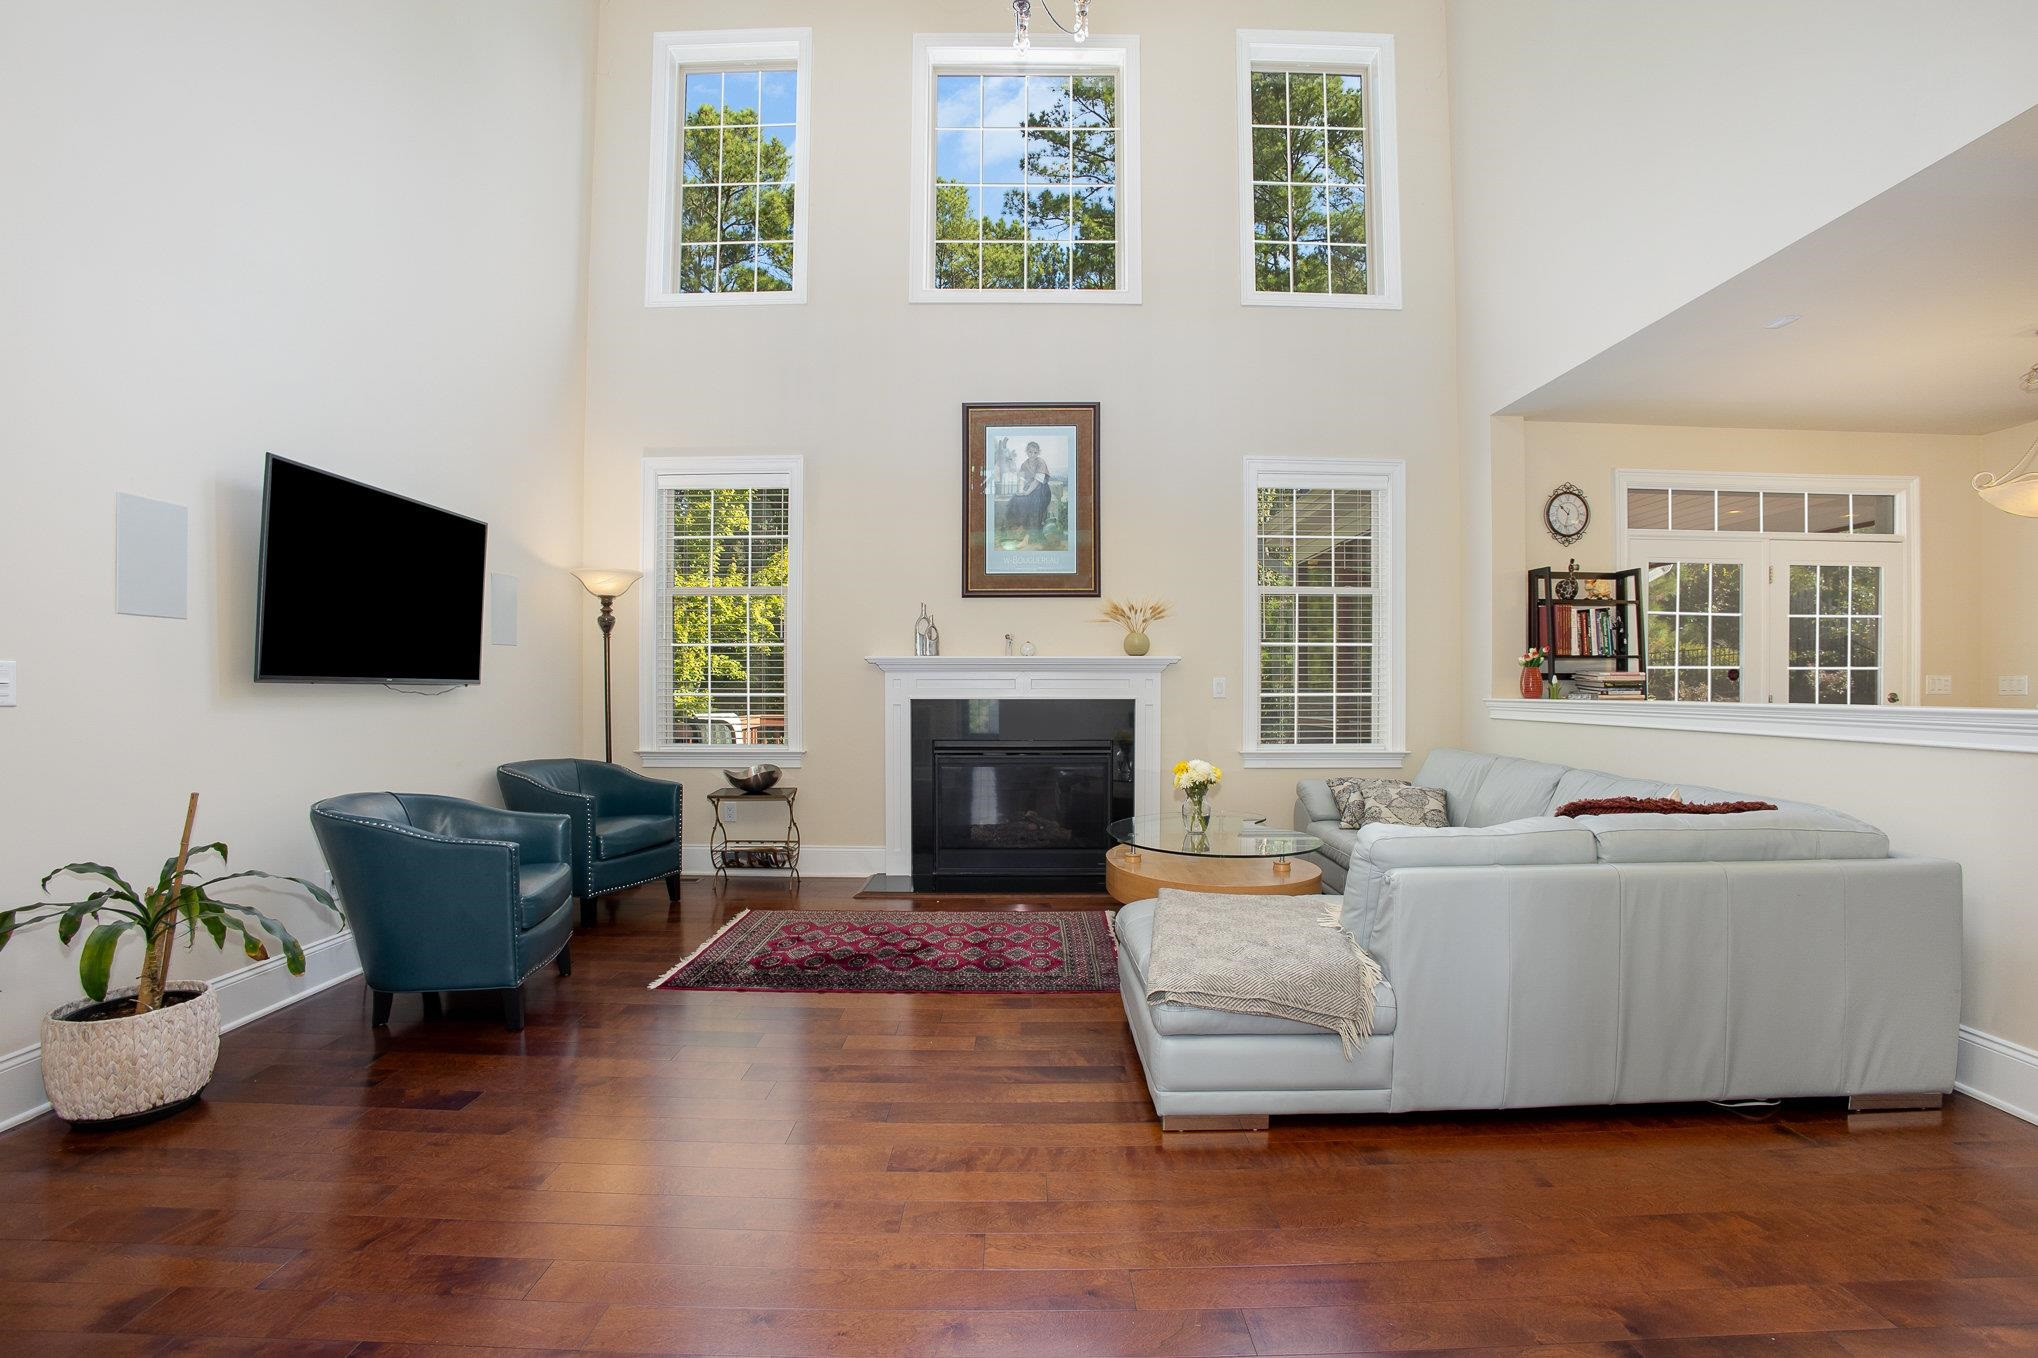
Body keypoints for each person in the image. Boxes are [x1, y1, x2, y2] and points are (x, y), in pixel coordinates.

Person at [1002, 440, 1053, 546]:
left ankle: (1029, 537)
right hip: (1029, 489)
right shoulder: (1024, 464)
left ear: (1038, 452)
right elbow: (1021, 479)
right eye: (1030, 452)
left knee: (1034, 504)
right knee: (1015, 500)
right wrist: (1021, 491)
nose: (1033, 454)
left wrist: (1027, 492)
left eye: (1035, 452)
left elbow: (1037, 481)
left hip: (1042, 491)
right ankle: (1015, 529)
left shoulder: (1041, 462)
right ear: (1027, 452)